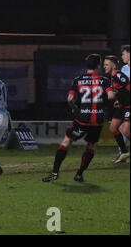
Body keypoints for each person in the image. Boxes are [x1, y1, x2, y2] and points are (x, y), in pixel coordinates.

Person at [42, 54, 112, 183]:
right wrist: (102, 104)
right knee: (91, 146)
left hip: (82, 118)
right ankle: (79, 174)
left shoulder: (78, 80)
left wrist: (74, 107)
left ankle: (54, 173)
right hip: (97, 119)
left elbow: (69, 99)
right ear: (97, 65)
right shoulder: (105, 80)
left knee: (66, 142)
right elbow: (111, 96)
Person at [103, 55, 130, 164]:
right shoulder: (112, 77)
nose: (104, 66)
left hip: (129, 106)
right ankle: (124, 152)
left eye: (106, 64)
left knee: (125, 130)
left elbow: (128, 88)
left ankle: (124, 152)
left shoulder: (119, 75)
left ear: (113, 65)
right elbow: (122, 92)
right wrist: (119, 100)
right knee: (113, 128)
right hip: (122, 105)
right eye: (104, 64)